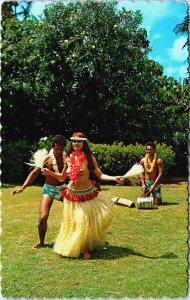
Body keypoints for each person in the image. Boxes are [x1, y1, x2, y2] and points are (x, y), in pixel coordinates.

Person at [41, 132, 123, 260]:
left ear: (84, 143)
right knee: (74, 223)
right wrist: (49, 173)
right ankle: (79, 247)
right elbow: (63, 177)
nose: (76, 143)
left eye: (79, 141)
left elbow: (100, 175)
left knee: (83, 221)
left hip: (86, 194)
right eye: (73, 141)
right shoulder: (68, 157)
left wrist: (114, 178)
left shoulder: (89, 158)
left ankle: (84, 249)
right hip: (71, 195)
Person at [11, 134, 67, 249]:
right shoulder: (46, 158)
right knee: (43, 217)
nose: (59, 151)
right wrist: (23, 187)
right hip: (49, 189)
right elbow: (34, 173)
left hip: (63, 189)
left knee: (74, 214)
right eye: (57, 149)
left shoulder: (67, 157)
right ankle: (41, 242)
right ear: (52, 147)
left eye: (61, 149)